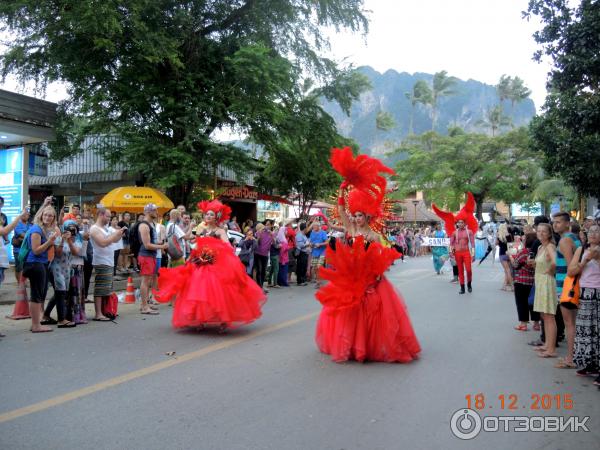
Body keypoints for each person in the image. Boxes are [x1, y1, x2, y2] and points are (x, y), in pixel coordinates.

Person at [314, 146, 420, 363]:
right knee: (347, 311)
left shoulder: (373, 235)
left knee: (369, 312)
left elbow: (379, 257)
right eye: (356, 214)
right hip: (350, 275)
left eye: (360, 215)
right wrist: (343, 190)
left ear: (367, 216)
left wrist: (378, 274)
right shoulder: (351, 229)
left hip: (369, 277)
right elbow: (342, 212)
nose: (356, 217)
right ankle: (350, 346)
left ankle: (364, 347)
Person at [155, 199, 265, 332]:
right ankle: (199, 320)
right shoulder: (201, 229)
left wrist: (216, 249)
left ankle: (224, 320)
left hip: (215, 264)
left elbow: (227, 246)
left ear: (217, 217)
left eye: (211, 214)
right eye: (206, 214)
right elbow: (190, 239)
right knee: (197, 291)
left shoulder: (220, 231)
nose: (208, 216)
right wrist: (191, 230)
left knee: (219, 292)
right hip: (199, 263)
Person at [568, 224, 600, 382]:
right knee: (586, 331)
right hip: (585, 293)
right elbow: (571, 271)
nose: (593, 234)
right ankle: (589, 364)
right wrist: (585, 260)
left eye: (597, 231)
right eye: (590, 231)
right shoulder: (582, 251)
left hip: (598, 292)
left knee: (598, 332)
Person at [22, 204, 60, 333]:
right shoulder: (37, 229)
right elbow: (36, 250)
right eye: (46, 215)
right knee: (37, 295)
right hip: (35, 264)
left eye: (50, 215)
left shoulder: (44, 230)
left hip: (40, 264)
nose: (48, 217)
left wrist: (52, 242)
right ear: (41, 216)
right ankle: (36, 325)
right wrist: (50, 242)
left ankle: (36, 323)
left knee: (39, 294)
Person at [432, 192, 478, 294]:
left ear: (465, 223)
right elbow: (451, 244)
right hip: (457, 253)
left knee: (469, 270)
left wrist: (473, 254)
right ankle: (462, 288)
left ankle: (469, 284)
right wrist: (451, 253)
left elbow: (473, 243)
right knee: (460, 271)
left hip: (466, 252)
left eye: (462, 222)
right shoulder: (454, 232)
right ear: (457, 223)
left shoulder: (469, 232)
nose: (460, 224)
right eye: (458, 222)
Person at [552, 212, 581, 369]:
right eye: (554, 222)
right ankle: (574, 356)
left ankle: (570, 358)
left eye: (558, 222)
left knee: (569, 323)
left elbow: (572, 267)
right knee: (573, 323)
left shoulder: (565, 240)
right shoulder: (576, 238)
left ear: (567, 224)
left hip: (566, 286)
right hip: (571, 285)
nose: (555, 225)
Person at [90, 206, 126, 321]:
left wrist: (119, 233)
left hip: (109, 261)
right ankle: (98, 313)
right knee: (100, 288)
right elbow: (103, 243)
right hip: (101, 261)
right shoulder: (94, 229)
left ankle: (105, 310)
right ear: (100, 215)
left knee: (107, 288)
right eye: (108, 216)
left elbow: (113, 240)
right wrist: (115, 235)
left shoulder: (105, 228)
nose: (109, 219)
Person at [532, 223, 558, 358]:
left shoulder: (550, 247)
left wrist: (550, 271)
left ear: (549, 234)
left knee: (549, 316)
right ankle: (547, 344)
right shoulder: (541, 247)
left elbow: (555, 262)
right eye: (539, 231)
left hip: (547, 282)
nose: (541, 233)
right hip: (540, 282)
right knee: (544, 315)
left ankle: (551, 349)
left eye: (544, 231)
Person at [137, 203, 168, 315]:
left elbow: (150, 242)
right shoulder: (144, 225)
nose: (157, 212)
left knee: (148, 281)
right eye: (155, 210)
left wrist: (158, 243)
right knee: (145, 281)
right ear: (149, 212)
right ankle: (144, 307)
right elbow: (147, 245)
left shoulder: (151, 224)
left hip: (150, 256)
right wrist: (162, 246)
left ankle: (145, 304)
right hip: (146, 256)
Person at [510, 233, 539, 331]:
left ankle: (523, 324)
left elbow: (515, 265)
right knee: (534, 302)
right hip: (534, 281)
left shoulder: (524, 252)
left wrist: (510, 256)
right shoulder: (539, 252)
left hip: (521, 281)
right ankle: (536, 323)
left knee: (521, 302)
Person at [255, 220, 274, 292]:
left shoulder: (270, 233)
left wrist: (271, 234)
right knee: (259, 270)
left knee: (263, 271)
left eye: (269, 225)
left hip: (265, 255)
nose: (267, 226)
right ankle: (259, 287)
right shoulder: (258, 233)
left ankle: (261, 286)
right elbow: (257, 242)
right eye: (266, 225)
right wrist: (259, 235)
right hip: (258, 254)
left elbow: (274, 242)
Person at [497, 223, 514, 291]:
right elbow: (511, 244)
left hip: (502, 254)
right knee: (507, 270)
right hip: (509, 253)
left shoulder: (499, 236)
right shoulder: (509, 236)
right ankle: (504, 286)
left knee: (507, 270)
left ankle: (512, 286)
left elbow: (496, 244)